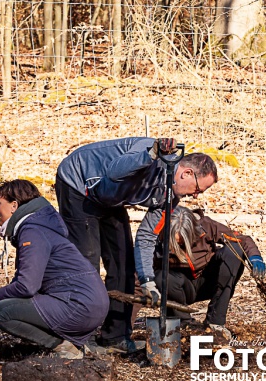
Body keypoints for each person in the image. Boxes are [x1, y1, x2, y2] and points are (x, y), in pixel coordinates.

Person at [55, 137, 218, 353]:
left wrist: (148, 281)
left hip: (111, 198)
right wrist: (150, 155)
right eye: (199, 189)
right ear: (186, 173)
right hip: (80, 185)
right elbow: (114, 172)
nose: (196, 196)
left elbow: (146, 236)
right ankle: (75, 337)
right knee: (87, 263)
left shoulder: (169, 198)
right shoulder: (150, 151)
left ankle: (115, 337)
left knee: (124, 264)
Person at [0, 179, 109, 359]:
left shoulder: (32, 232)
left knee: (1, 313)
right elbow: (26, 286)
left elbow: (27, 287)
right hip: (86, 303)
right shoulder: (38, 226)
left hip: (78, 306)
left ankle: (63, 348)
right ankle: (72, 345)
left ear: (14, 206)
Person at [148, 206, 266, 340]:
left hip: (208, 281)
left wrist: (255, 257)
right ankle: (184, 323)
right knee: (160, 277)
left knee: (235, 250)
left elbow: (242, 240)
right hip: (179, 288)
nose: (181, 247)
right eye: (177, 244)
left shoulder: (206, 226)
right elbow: (140, 274)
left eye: (183, 243)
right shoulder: (155, 239)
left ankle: (215, 323)